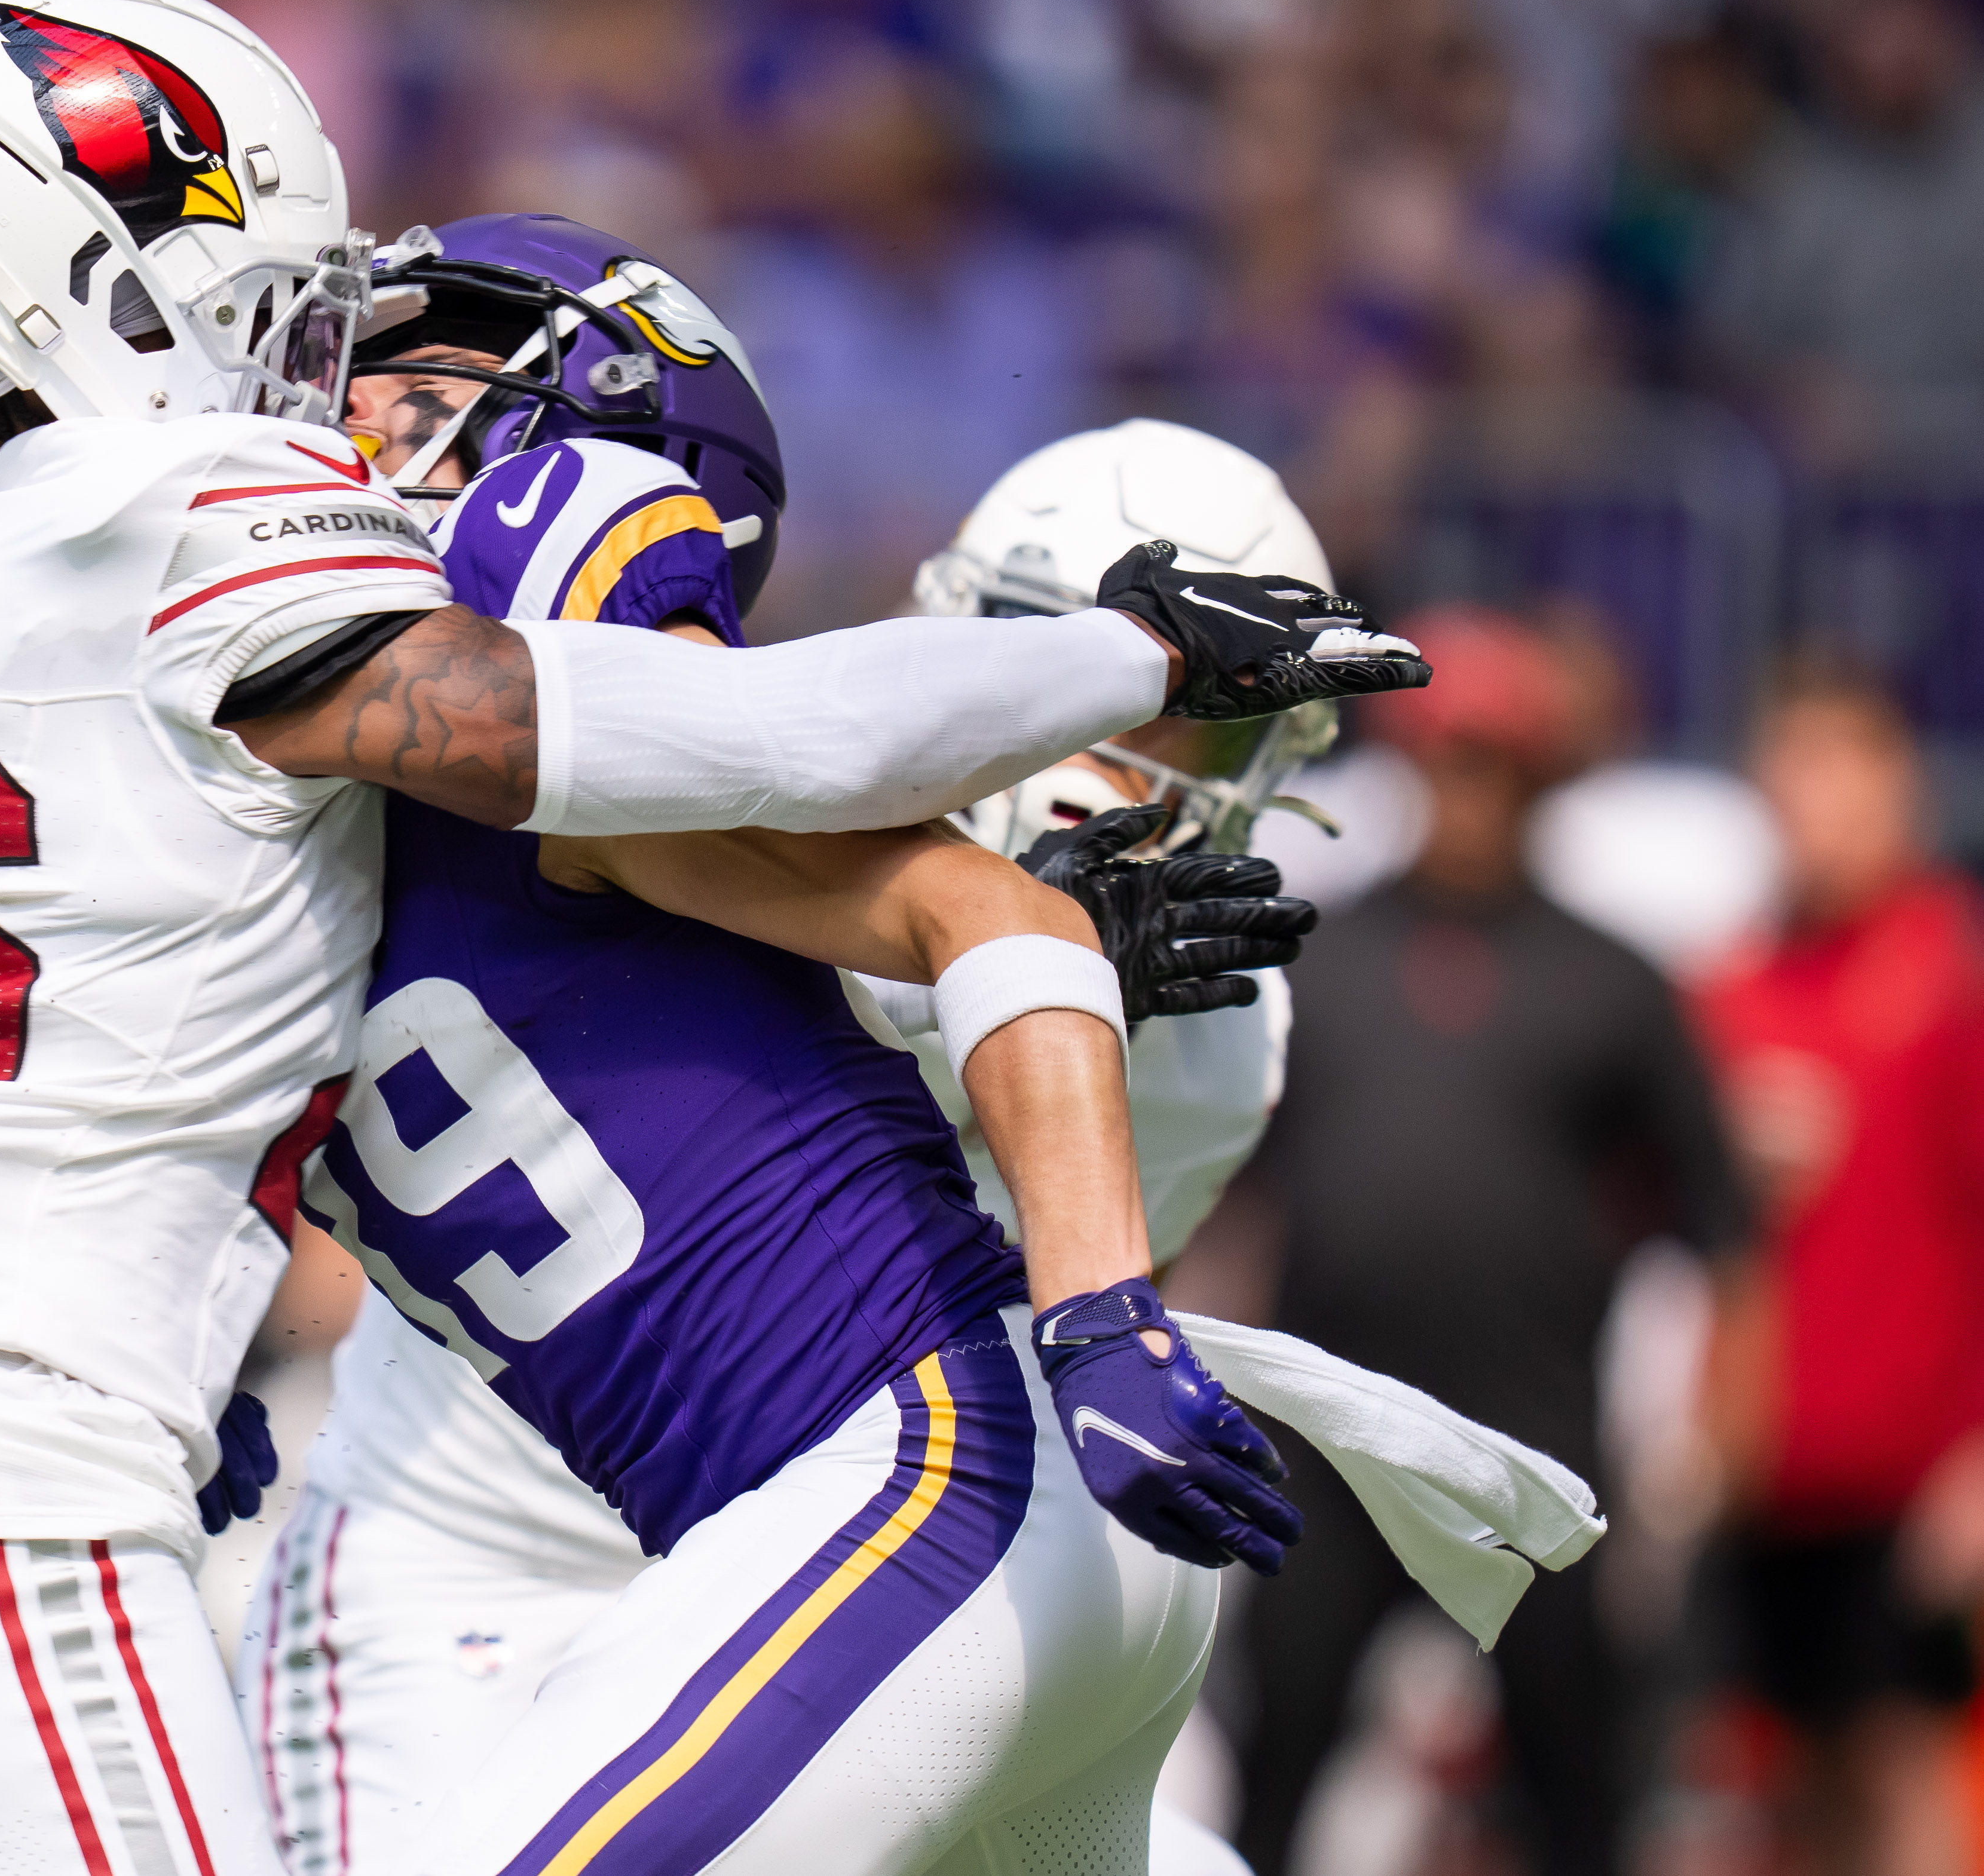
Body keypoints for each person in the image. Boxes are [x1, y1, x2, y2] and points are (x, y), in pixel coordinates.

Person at [0, 0, 1425, 1876]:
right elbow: (724, 761)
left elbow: (821, 838)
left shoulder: (1, 610)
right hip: (83, 1498)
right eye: (343, 349)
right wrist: (1114, 668)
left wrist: (1097, 1282)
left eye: (413, 376)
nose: (344, 401)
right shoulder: (261, 650)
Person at [243, 256, 1330, 1876]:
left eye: (1199, 734)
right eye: (1100, 683)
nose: (1127, 775)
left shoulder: (1216, 1024)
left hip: (865, 1503)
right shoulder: (636, 755)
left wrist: (1034, 986)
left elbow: (977, 1229)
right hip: (478, 1545)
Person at [1232, 606, 1747, 1876]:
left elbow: (1725, 1228)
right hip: (1328, 1446)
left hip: (1527, 1454)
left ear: (1536, 777)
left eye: (1491, 761)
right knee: (1272, 1767)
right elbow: (1229, 1199)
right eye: (1442, 757)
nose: (1462, 788)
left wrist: (1717, 1445)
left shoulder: (1613, 981)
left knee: (1576, 1792)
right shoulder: (1319, 959)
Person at [1694, 662, 1984, 1876]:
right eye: (1786, 778)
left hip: (1908, 1477)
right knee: (1790, 1778)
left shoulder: (1943, 978)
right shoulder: (1734, 986)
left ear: (1893, 787)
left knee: (1900, 1764)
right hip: (1767, 1464)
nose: (1807, 807)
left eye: (1833, 775)